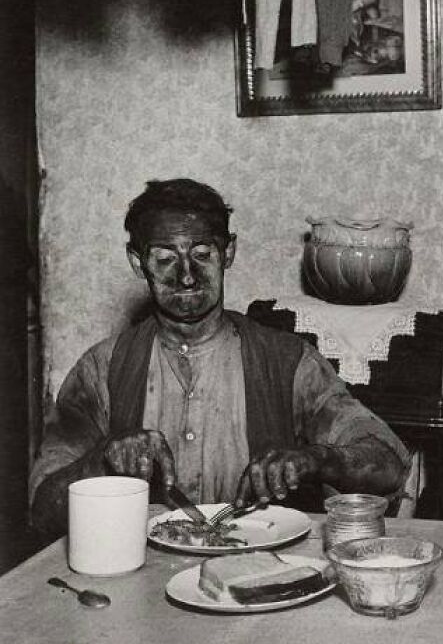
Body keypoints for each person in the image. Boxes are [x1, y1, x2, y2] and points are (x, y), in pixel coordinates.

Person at [29, 179, 411, 540]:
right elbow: (42, 512)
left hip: (257, 577)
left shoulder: (288, 362)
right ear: (136, 261)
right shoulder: (102, 368)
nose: (187, 276)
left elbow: (389, 466)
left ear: (228, 252)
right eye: (164, 258)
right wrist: (103, 461)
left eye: (202, 254)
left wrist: (318, 459)